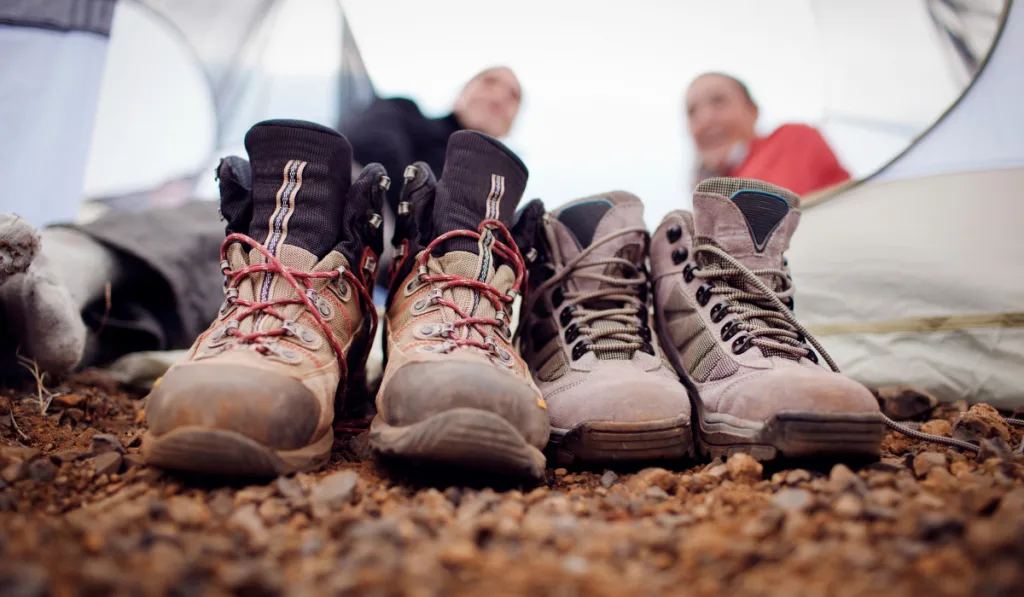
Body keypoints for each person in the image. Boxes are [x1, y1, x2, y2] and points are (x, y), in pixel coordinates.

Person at [0, 67, 524, 379]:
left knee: (247, 297)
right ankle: (67, 264)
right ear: (462, 92)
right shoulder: (405, 114)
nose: (497, 95)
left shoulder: (500, 193)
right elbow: (373, 152)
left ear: (513, 121)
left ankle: (70, 335)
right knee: (237, 239)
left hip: (397, 257)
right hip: (334, 204)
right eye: (489, 82)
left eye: (512, 96)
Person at [685, 72, 851, 197]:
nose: (706, 119)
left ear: (753, 110)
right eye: (692, 111)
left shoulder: (794, 139)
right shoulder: (708, 191)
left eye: (719, 101)